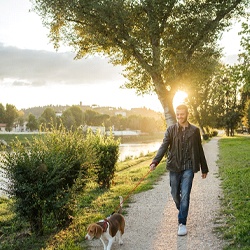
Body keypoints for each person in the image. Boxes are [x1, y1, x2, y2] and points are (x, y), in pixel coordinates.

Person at [150, 104, 208, 236]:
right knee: (175, 193)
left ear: (187, 114)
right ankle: (182, 207)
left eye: (182, 114)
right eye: (177, 114)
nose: (179, 116)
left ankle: (182, 223)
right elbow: (163, 146)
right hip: (174, 166)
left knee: (185, 194)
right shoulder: (171, 130)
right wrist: (155, 161)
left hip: (188, 167)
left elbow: (199, 150)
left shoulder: (194, 131)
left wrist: (204, 168)